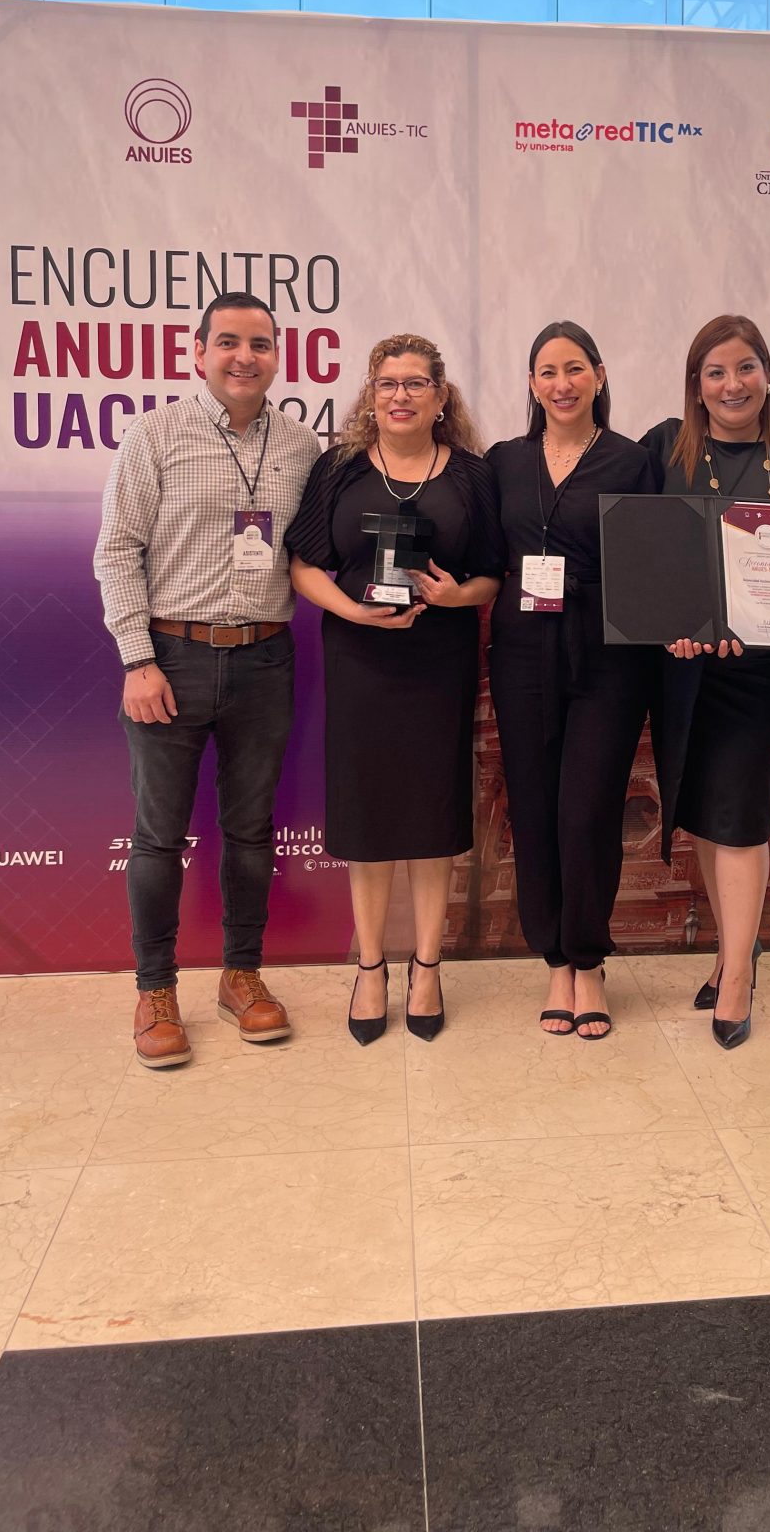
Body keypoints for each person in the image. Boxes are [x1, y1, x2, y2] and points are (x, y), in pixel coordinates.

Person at [95, 290, 320, 1069]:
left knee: (251, 832)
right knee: (158, 836)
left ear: (277, 356)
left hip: (264, 659)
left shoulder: (302, 446)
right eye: (228, 342)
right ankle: (155, 990)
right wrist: (137, 658)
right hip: (171, 659)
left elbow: (319, 550)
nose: (243, 357)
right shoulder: (155, 435)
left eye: (259, 344)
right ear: (197, 352)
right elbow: (116, 550)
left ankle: (241, 976)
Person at [284, 334, 502, 1044]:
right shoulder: (339, 469)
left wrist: (455, 594)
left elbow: (491, 575)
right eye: (388, 383)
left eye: (415, 383)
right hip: (360, 663)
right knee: (369, 818)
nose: (400, 395)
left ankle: (428, 966)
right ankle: (372, 966)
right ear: (370, 396)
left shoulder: (471, 475)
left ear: (441, 397)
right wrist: (350, 610)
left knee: (432, 817)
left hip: (438, 664)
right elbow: (302, 565)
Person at [642, 315, 770, 1050]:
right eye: (715, 372)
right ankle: (729, 948)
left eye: (745, 368)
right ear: (697, 384)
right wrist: (665, 623)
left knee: (738, 811)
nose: (731, 384)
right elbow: (645, 548)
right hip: (684, 666)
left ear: (767, 375)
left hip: (761, 668)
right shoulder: (664, 447)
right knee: (704, 812)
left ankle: (738, 976)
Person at [487, 322, 657, 1039]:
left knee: (587, 810)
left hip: (607, 655)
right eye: (548, 372)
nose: (562, 384)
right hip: (521, 650)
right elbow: (481, 554)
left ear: (599, 375)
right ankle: (554, 959)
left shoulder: (632, 459)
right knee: (532, 807)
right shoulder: (503, 461)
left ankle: (588, 960)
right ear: (531, 384)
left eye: (575, 368)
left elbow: (652, 560)